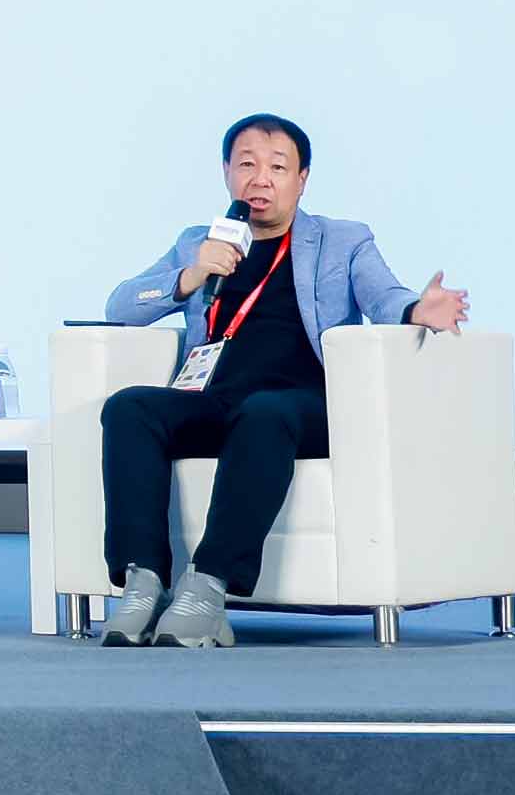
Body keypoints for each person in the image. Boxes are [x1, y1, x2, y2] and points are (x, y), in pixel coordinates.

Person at [93, 114, 471, 649]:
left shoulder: (343, 240)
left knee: (265, 412)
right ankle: (144, 583)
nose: (260, 180)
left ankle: (208, 587)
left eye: (277, 168)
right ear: (227, 172)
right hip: (218, 399)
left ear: (302, 178)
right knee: (129, 408)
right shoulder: (200, 242)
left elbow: (384, 295)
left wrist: (416, 310)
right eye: (246, 165)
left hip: (306, 406)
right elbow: (121, 307)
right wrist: (192, 275)